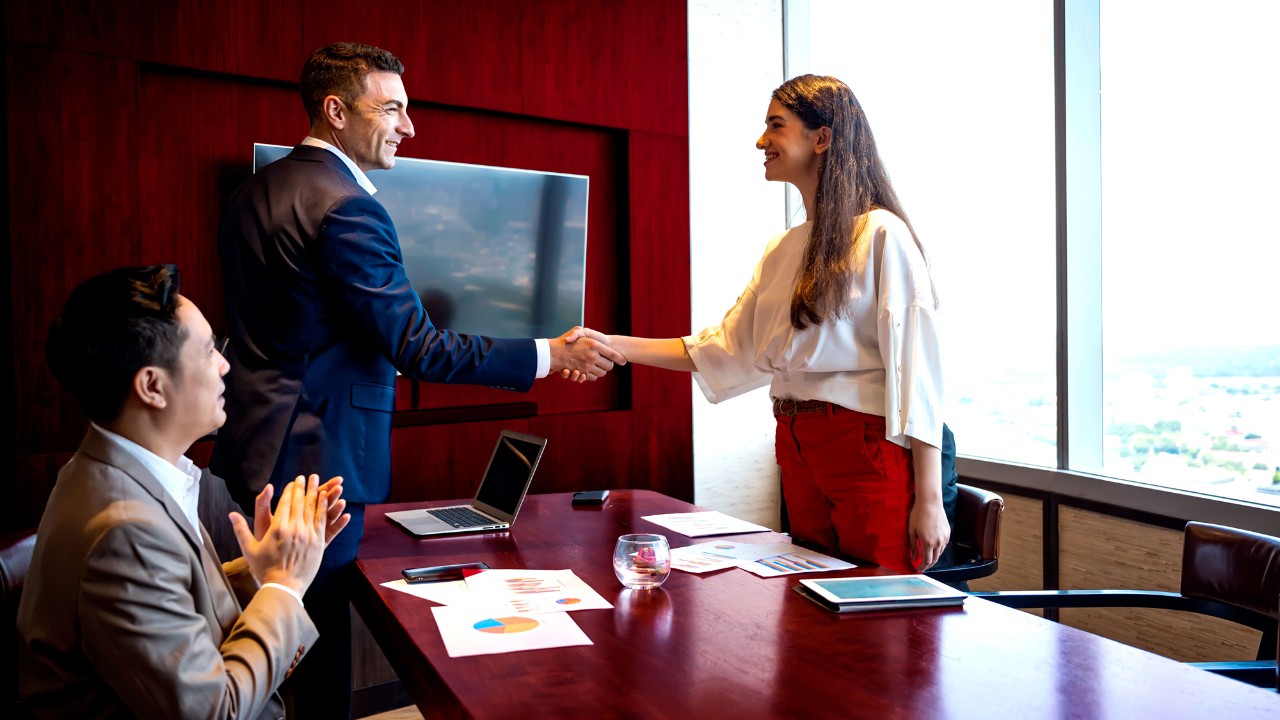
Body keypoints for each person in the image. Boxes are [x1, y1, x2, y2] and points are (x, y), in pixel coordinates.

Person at [209, 41, 624, 717]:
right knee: (312, 661)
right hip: (322, 463)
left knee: (262, 652)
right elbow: (420, 346)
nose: (409, 126)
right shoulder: (349, 208)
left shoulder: (253, 193)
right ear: (336, 110)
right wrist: (550, 353)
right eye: (393, 108)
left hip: (246, 449)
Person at [599, 74, 949, 574]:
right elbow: (719, 348)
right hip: (796, 442)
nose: (761, 141)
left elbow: (919, 370)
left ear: (822, 137)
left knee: (881, 619)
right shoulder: (782, 248)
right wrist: (611, 345)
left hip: (862, 444)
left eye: (775, 126)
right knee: (812, 606)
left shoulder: (881, 233)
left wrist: (930, 500)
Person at [19, 264, 350, 719]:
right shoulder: (123, 530)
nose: (225, 365)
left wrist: (262, 570)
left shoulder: (117, 471)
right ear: (153, 386)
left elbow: (170, 599)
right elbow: (214, 712)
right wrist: (284, 585)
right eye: (210, 350)